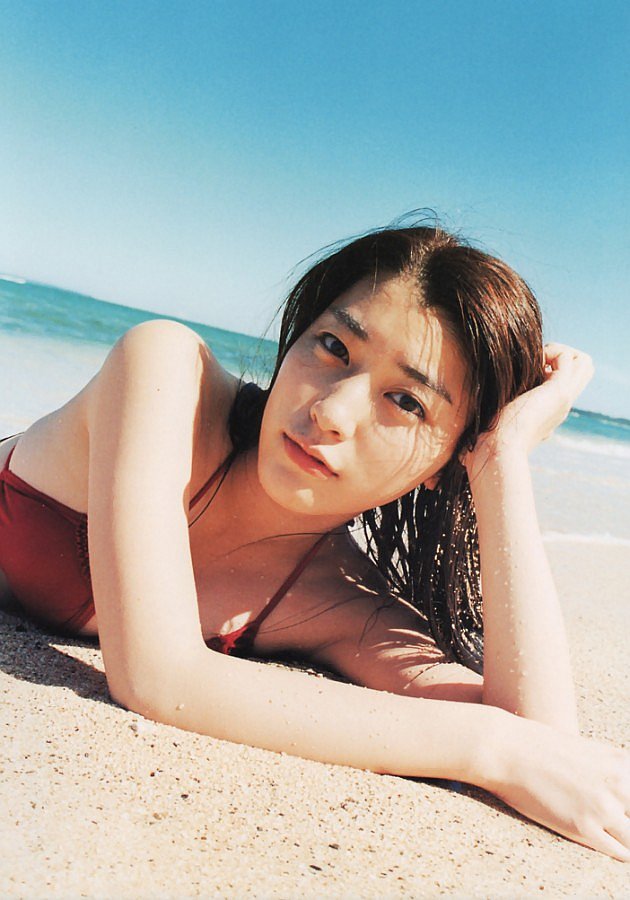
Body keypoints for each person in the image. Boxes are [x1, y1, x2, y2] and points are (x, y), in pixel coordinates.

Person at [0, 223, 628, 861]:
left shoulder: (341, 603)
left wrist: (499, 457)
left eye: (406, 402)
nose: (330, 412)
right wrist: (486, 746)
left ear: (445, 462)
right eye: (333, 346)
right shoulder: (165, 370)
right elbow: (157, 677)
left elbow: (549, 746)